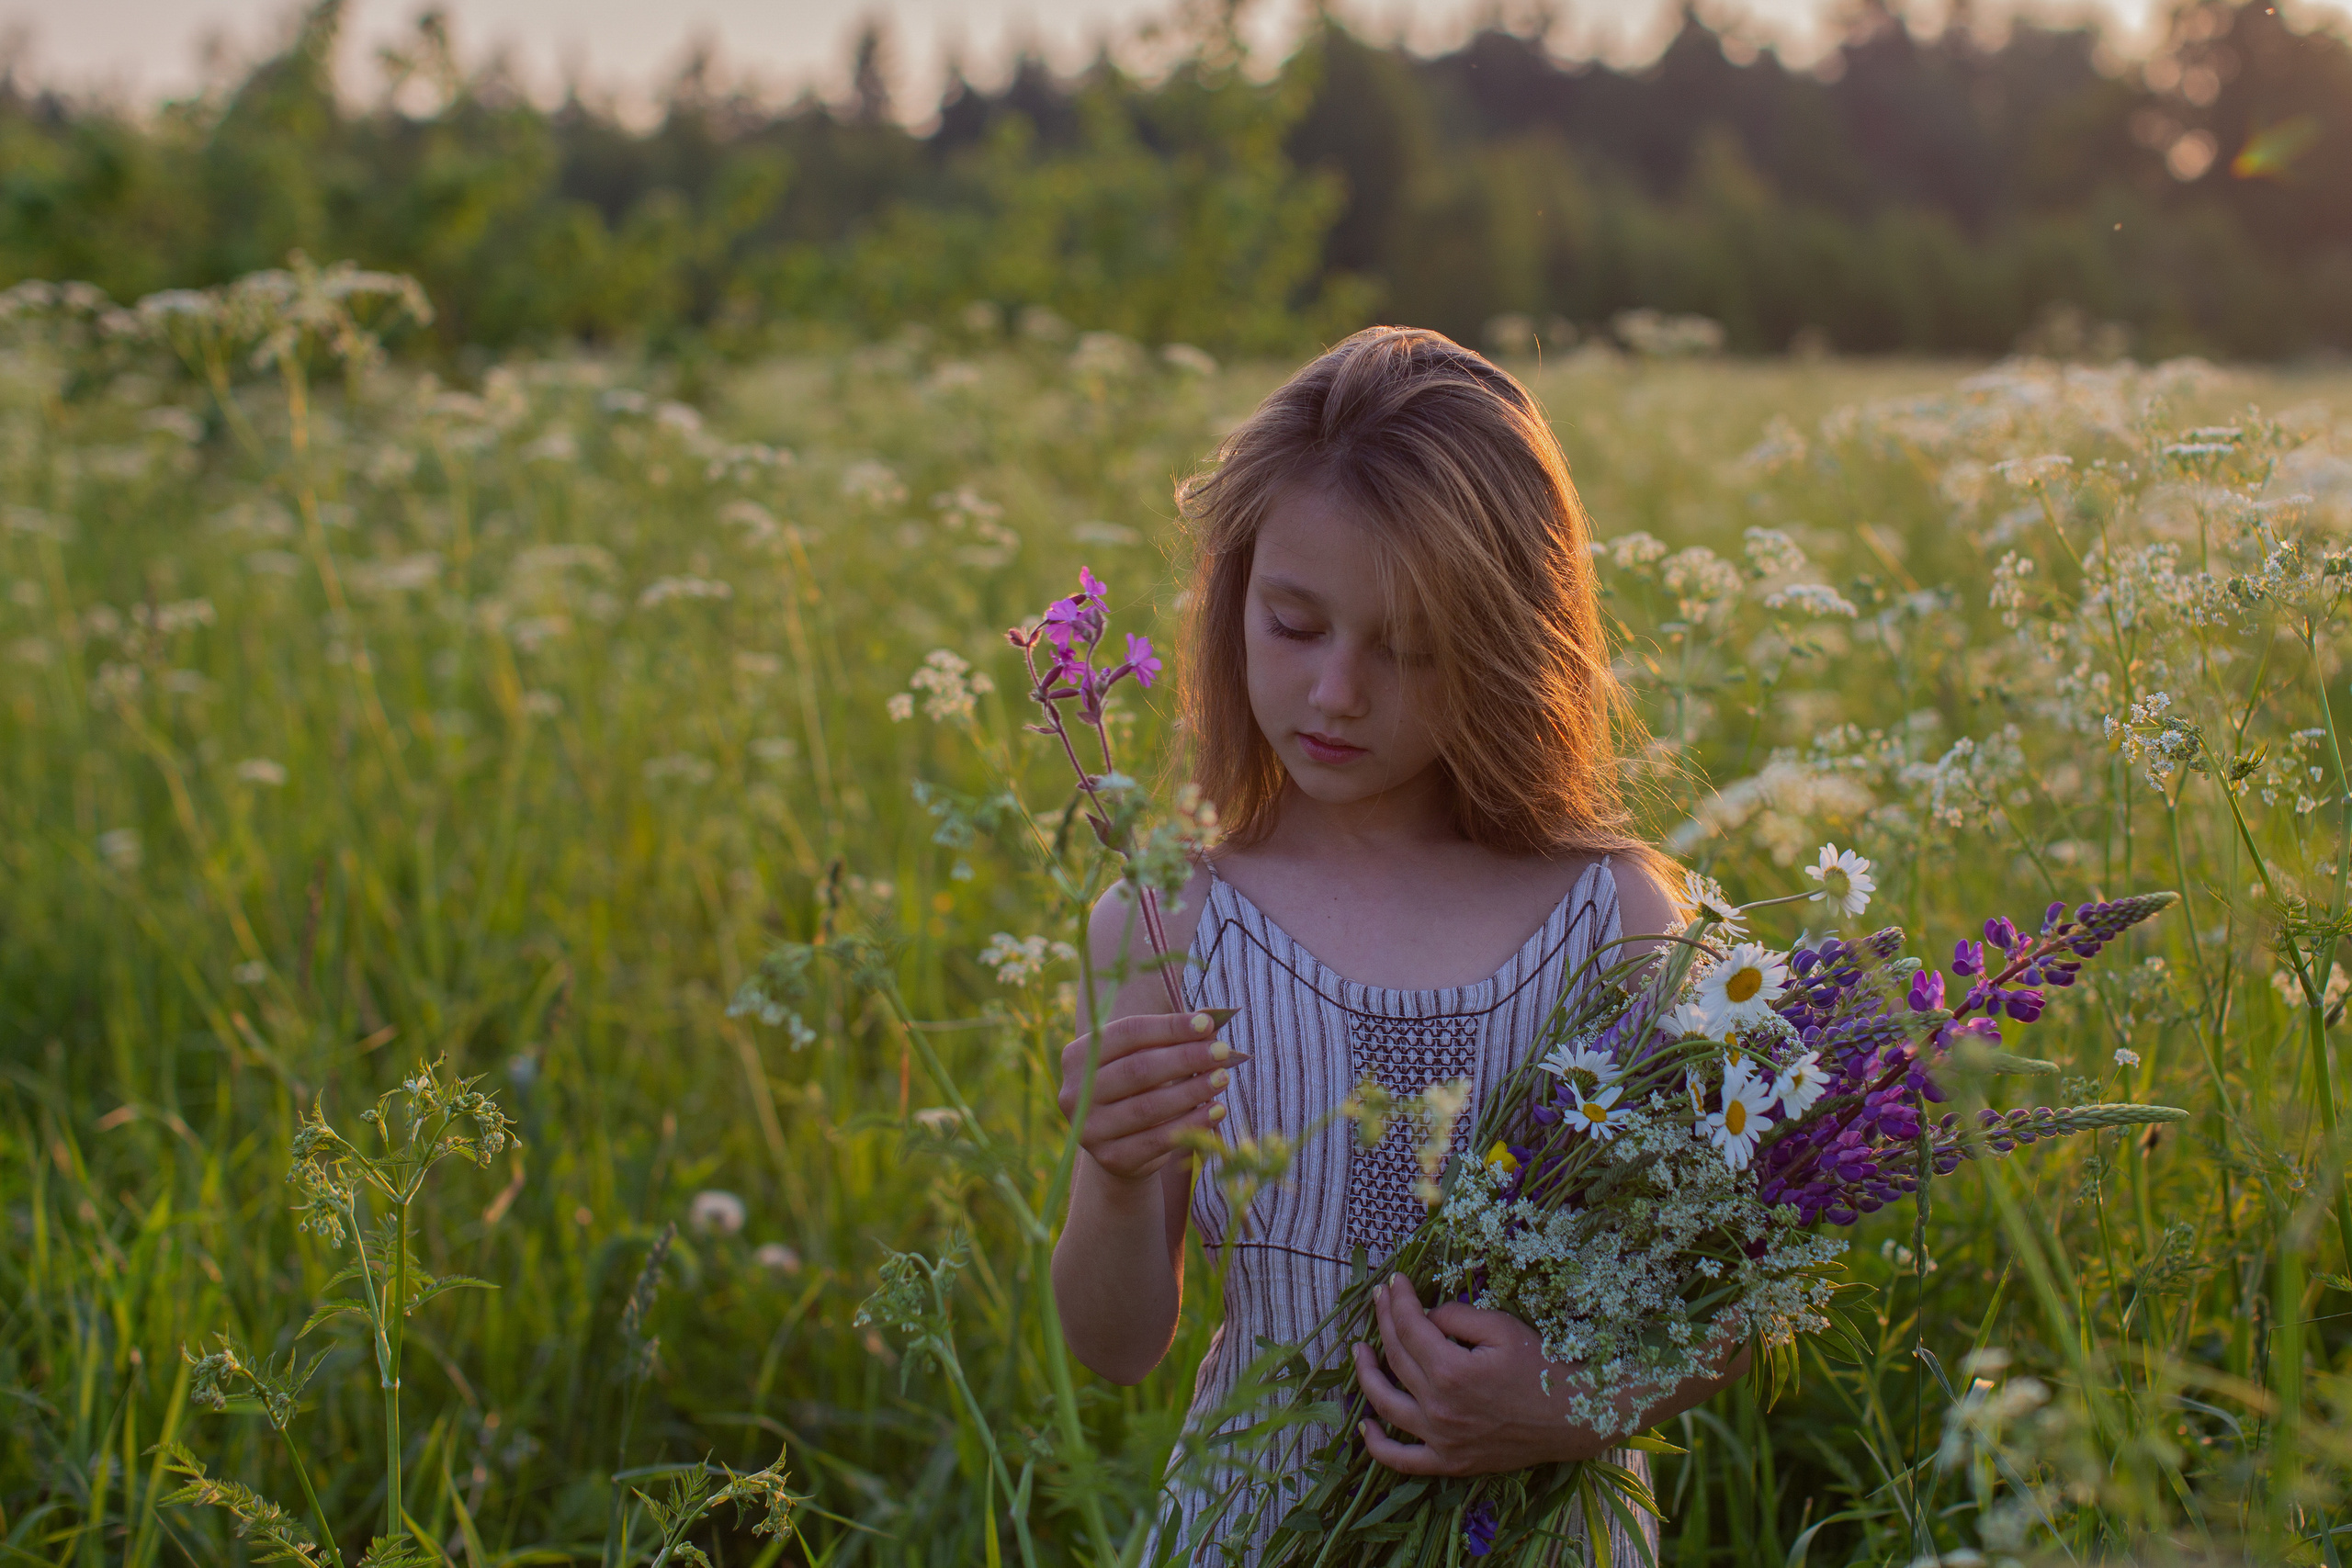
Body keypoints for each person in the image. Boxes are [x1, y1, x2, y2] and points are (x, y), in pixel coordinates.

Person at [1049, 325, 1747, 1563]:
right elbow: (1114, 1345)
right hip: (1250, 1527)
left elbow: (1734, 1303)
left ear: (1506, 644)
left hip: (1540, 1532)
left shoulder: (1618, 920)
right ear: (1230, 596)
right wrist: (1110, 1169)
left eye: (1409, 647)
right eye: (1294, 624)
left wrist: (1570, 1403)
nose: (1336, 694)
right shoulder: (1164, 925)